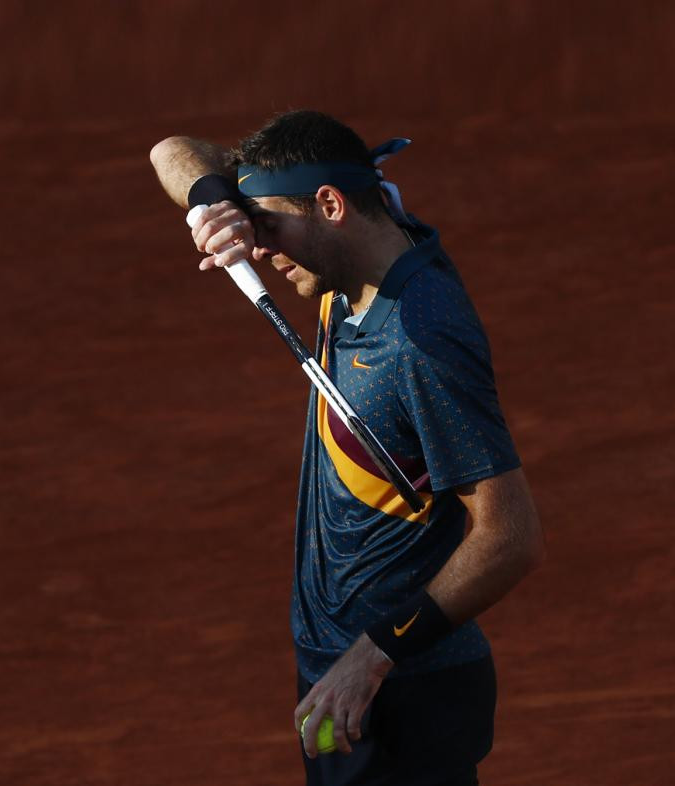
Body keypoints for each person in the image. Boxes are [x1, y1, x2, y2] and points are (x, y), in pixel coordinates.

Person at [150, 110, 545, 786]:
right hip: (342, 680)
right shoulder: (367, 245)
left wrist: (373, 655)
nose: (260, 249)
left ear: (330, 204)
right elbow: (173, 151)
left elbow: (510, 537)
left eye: (268, 225)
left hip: (396, 694)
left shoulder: (419, 341)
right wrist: (218, 205)